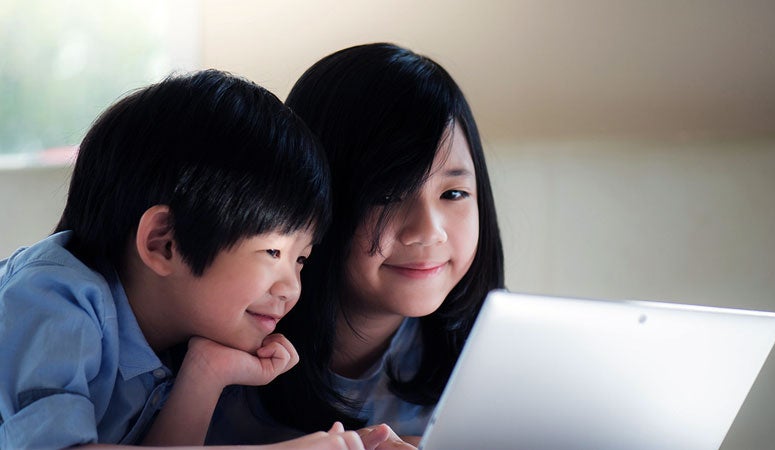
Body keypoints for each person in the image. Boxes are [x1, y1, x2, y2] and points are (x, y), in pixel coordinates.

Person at [0, 69, 397, 450]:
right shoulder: (53, 299)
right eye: (273, 251)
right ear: (164, 242)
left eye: (301, 260)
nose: (291, 288)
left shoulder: (177, 330)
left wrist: (207, 373)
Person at [207, 43, 505, 446]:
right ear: (316, 197)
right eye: (386, 195)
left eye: (453, 194)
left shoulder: (493, 355)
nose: (428, 231)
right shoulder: (225, 341)